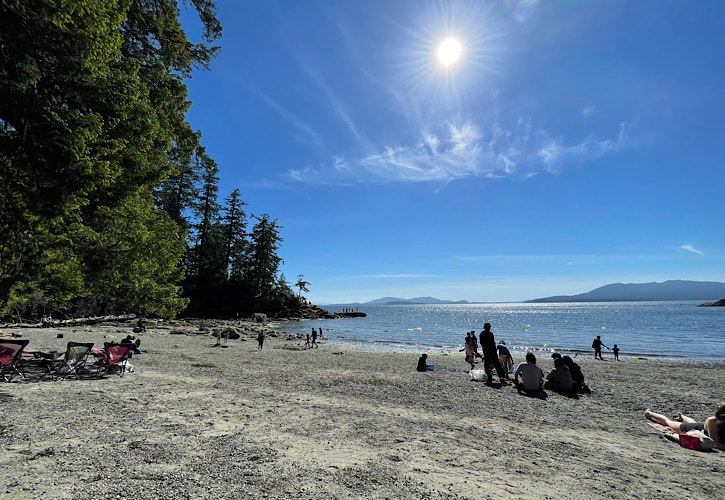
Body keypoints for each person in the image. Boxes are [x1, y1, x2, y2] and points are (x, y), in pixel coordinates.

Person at [645, 403, 725, 451]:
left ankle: (682, 417)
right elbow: (716, 443)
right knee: (669, 423)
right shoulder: (712, 421)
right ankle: (650, 413)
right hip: (698, 431)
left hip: (702, 428)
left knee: (695, 423)